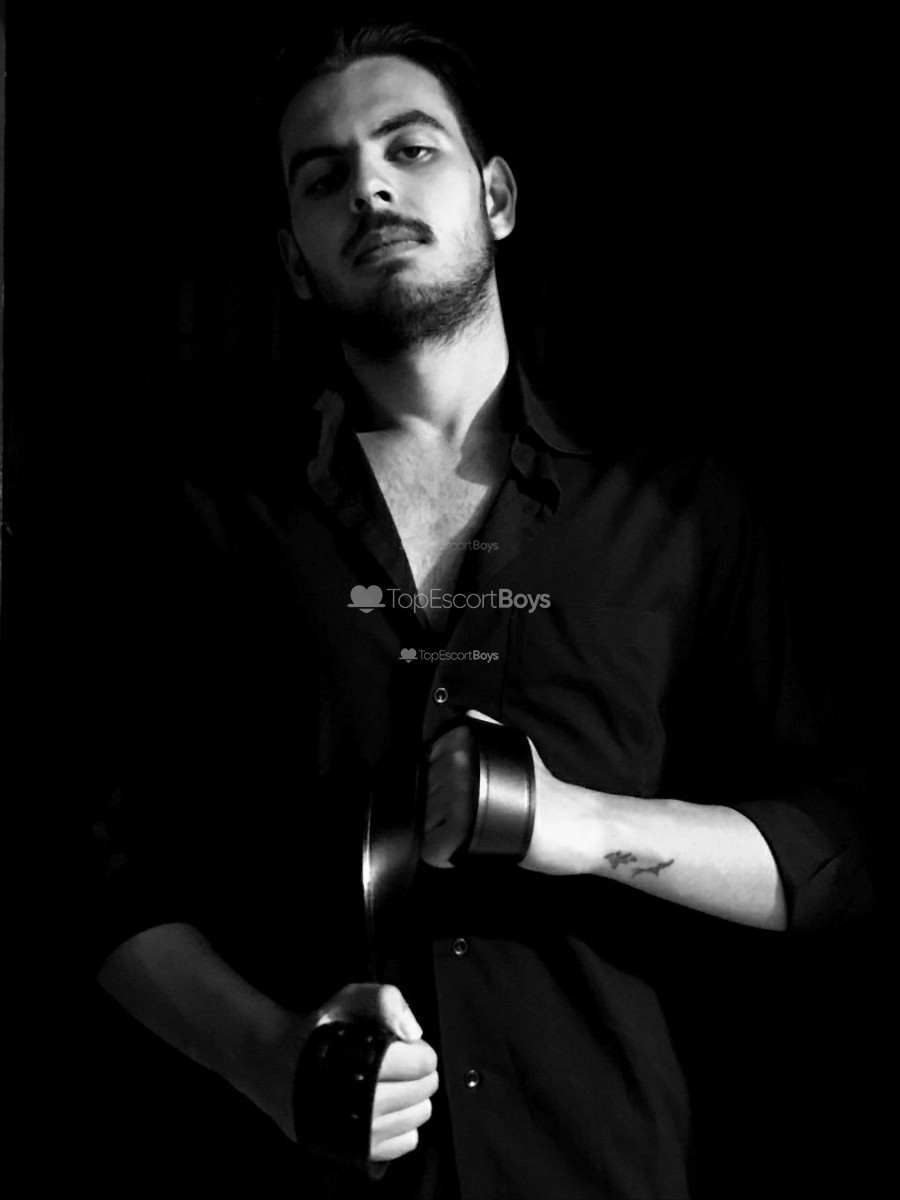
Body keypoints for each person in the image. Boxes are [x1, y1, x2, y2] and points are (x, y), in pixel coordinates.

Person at [93, 20, 875, 1199]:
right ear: (295, 259)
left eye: (410, 149)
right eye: (326, 176)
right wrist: (265, 1055)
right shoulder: (207, 534)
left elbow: (844, 854)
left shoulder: (681, 511)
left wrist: (581, 826)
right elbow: (103, 871)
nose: (370, 187)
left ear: (496, 197)